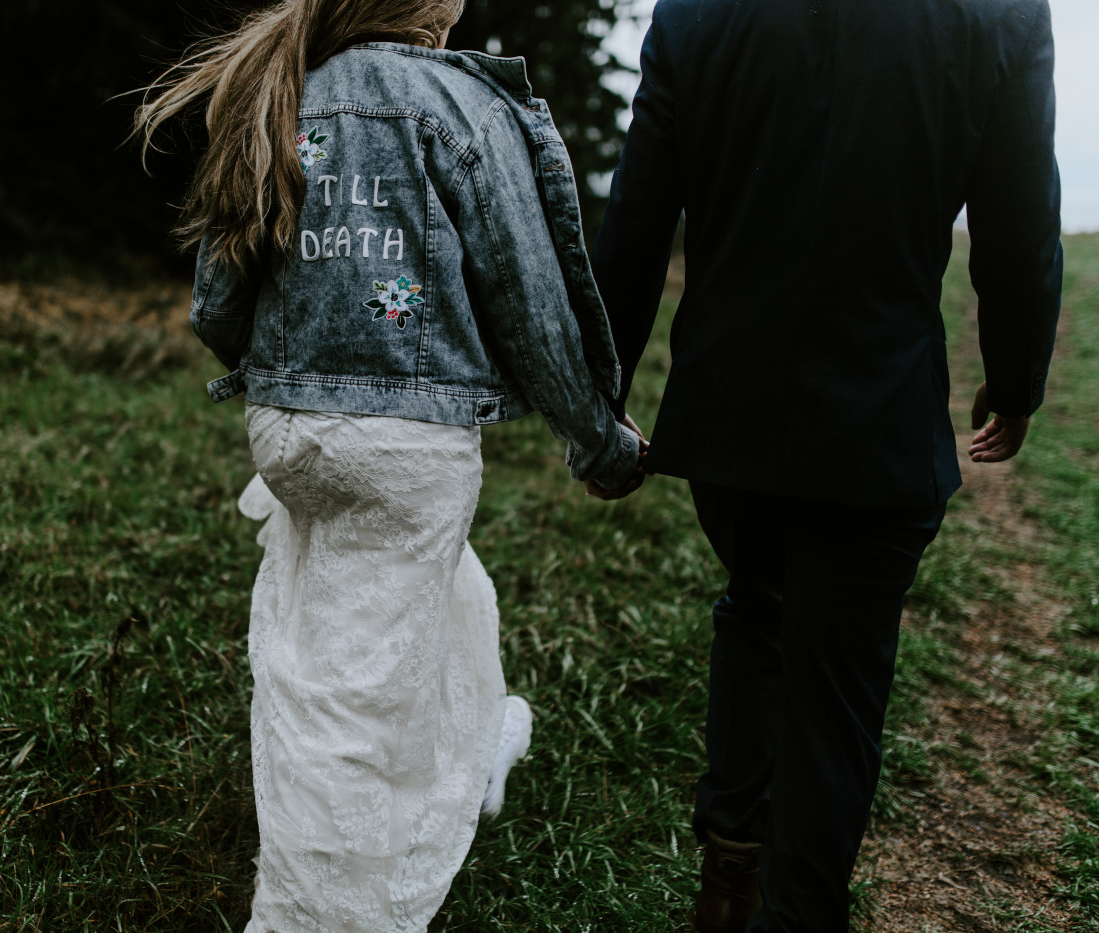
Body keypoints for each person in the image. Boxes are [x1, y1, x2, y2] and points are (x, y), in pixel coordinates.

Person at [134, 1, 645, 929]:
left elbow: (216, 303)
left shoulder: (283, 96)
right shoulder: (458, 106)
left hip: (287, 434)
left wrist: (294, 368)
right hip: (403, 448)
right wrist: (600, 440)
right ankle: (311, 911)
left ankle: (474, 747)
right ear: (431, 12)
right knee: (350, 698)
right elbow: (533, 311)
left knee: (431, 602)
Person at [588, 1, 1063, 931]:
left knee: (757, 611)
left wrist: (595, 398)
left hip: (728, 425)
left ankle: (729, 885)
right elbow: (1019, 219)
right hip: (877, 427)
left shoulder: (698, 11)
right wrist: (1015, 377)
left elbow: (636, 218)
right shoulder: (1000, 14)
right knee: (836, 696)